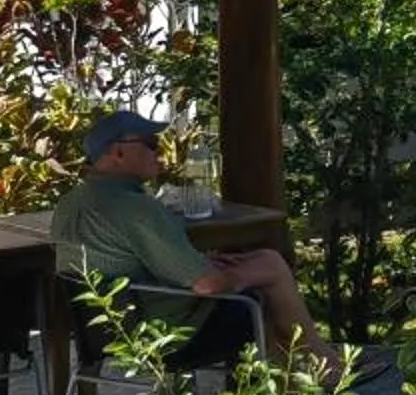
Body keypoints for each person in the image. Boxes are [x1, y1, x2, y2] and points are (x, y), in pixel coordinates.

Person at [52, 109, 363, 378]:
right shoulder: (136, 209)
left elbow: (127, 259)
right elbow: (206, 285)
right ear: (118, 153)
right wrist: (240, 276)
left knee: (265, 264)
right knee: (261, 293)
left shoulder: (68, 205)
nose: (160, 152)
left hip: (102, 334)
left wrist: (209, 263)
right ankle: (306, 391)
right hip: (164, 338)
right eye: (150, 144)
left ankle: (319, 371)